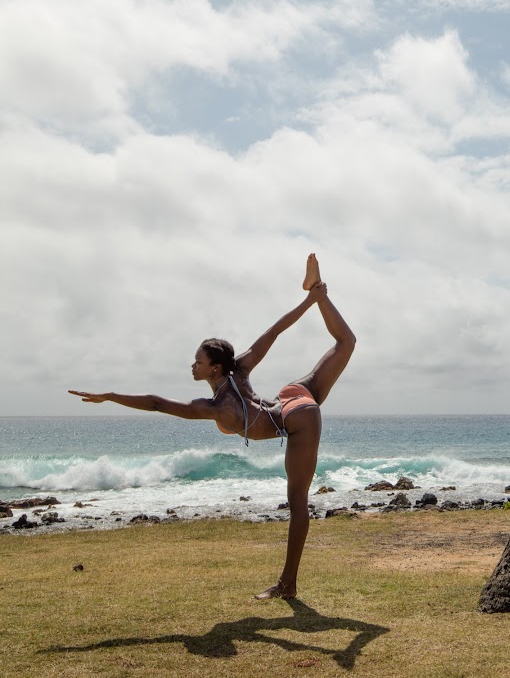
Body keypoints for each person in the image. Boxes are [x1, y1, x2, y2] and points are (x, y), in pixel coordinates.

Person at [68, 254, 355, 601]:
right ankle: (319, 292)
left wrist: (111, 396)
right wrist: (309, 301)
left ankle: (287, 585)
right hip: (294, 396)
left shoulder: (217, 407)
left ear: (215, 368)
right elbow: (274, 332)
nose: (193, 366)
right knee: (346, 343)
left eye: (198, 362)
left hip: (296, 417)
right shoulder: (240, 370)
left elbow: (157, 403)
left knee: (297, 502)